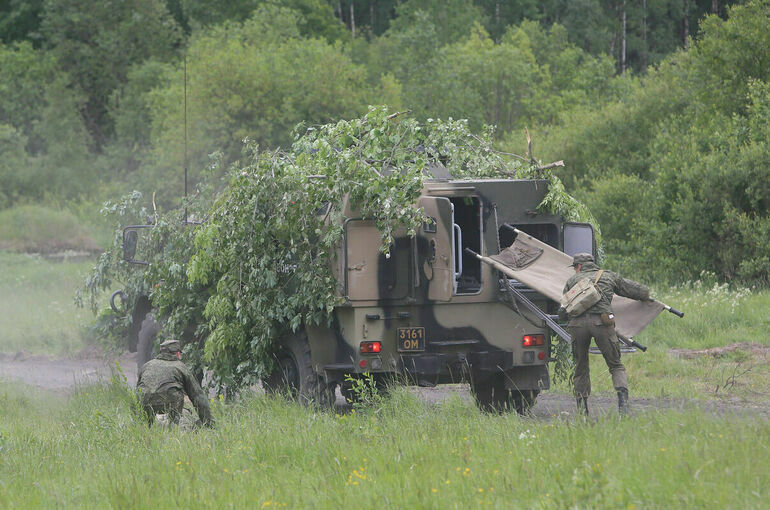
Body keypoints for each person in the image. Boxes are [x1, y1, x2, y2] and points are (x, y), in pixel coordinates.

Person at [558, 253, 651, 416]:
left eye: (574, 267)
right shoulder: (609, 277)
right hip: (603, 323)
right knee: (615, 365)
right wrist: (647, 295)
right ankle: (623, 407)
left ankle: (582, 411)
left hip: (577, 325)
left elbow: (562, 310)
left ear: (578, 266)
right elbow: (636, 291)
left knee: (581, 366)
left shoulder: (572, 281)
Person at [136, 339, 213, 427]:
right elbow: (197, 396)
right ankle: (174, 427)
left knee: (145, 424)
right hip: (170, 403)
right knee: (179, 418)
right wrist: (208, 422)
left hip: (145, 401)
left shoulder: (147, 365)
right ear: (177, 353)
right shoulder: (180, 366)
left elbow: (138, 388)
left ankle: (145, 428)